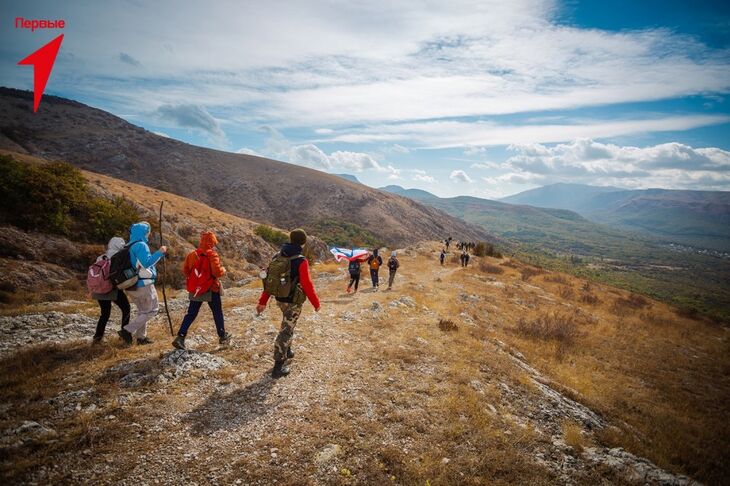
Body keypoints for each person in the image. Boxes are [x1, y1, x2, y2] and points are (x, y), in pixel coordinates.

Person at [256, 229, 320, 378]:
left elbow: (270, 281)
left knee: (288, 325)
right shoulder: (301, 260)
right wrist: (316, 303)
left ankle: (288, 351)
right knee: (286, 331)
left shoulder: (277, 256)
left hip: (280, 299)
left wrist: (263, 301)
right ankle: (277, 367)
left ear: (290, 239)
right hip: (293, 301)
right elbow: (307, 284)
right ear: (303, 242)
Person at [172, 231, 230, 350]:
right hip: (211, 288)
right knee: (217, 312)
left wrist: (197, 279)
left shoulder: (192, 254)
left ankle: (180, 337)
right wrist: (223, 269)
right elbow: (217, 273)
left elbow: (186, 271)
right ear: (212, 242)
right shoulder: (212, 255)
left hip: (196, 289)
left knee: (191, 313)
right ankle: (222, 336)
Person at [118, 221, 167, 345]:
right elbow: (146, 263)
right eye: (147, 233)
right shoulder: (141, 245)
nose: (148, 235)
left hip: (130, 284)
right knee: (153, 310)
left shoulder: (128, 246)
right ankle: (127, 330)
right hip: (143, 285)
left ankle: (141, 338)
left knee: (143, 312)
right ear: (144, 233)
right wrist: (160, 252)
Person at [91, 237, 130, 343]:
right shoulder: (118, 256)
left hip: (98, 289)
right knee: (126, 308)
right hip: (111, 288)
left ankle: (97, 338)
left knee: (104, 314)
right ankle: (125, 335)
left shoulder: (101, 257)